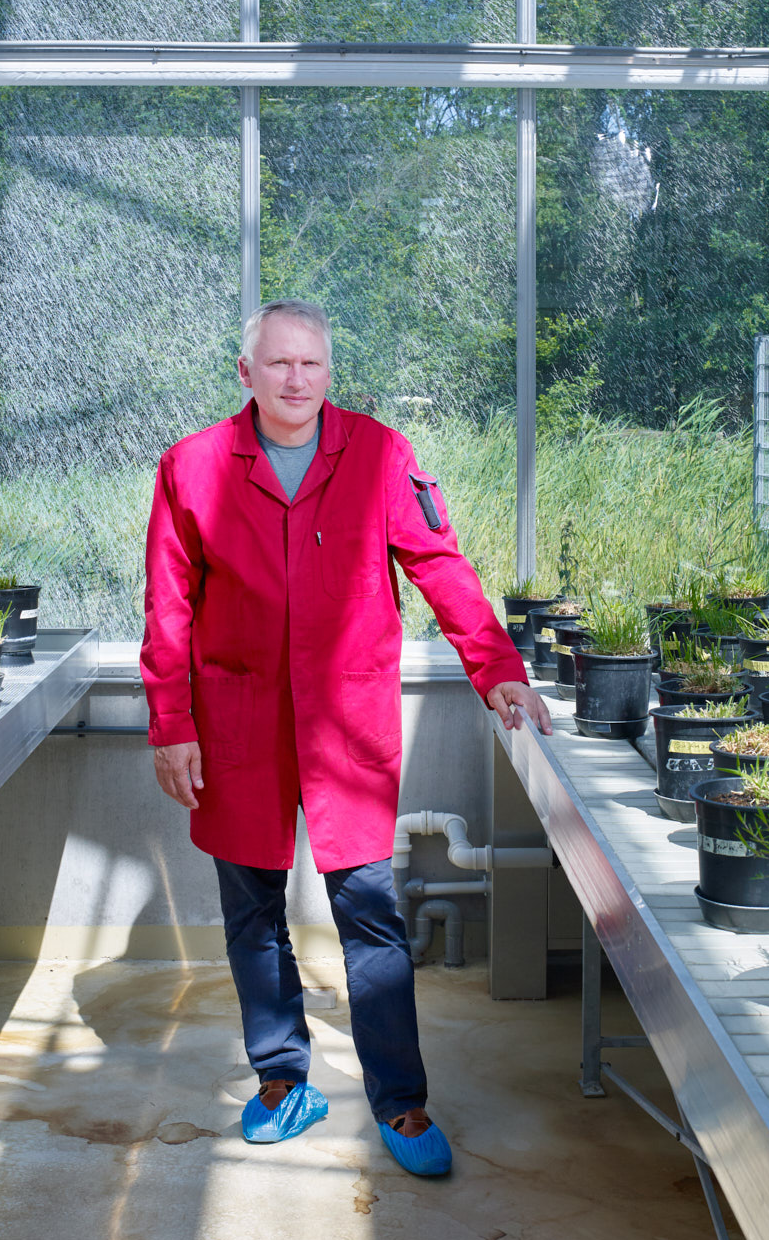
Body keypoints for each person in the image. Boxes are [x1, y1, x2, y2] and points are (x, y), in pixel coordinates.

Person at [141, 297, 553, 1177]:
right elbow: (168, 606)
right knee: (252, 915)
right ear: (243, 372)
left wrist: (497, 665)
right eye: (279, 364)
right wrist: (171, 723)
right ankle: (284, 1080)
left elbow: (438, 561)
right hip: (239, 721)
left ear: (330, 373)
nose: (296, 381)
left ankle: (400, 1103)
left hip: (345, 722)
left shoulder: (378, 454)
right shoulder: (192, 467)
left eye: (312, 365)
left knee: (369, 912)